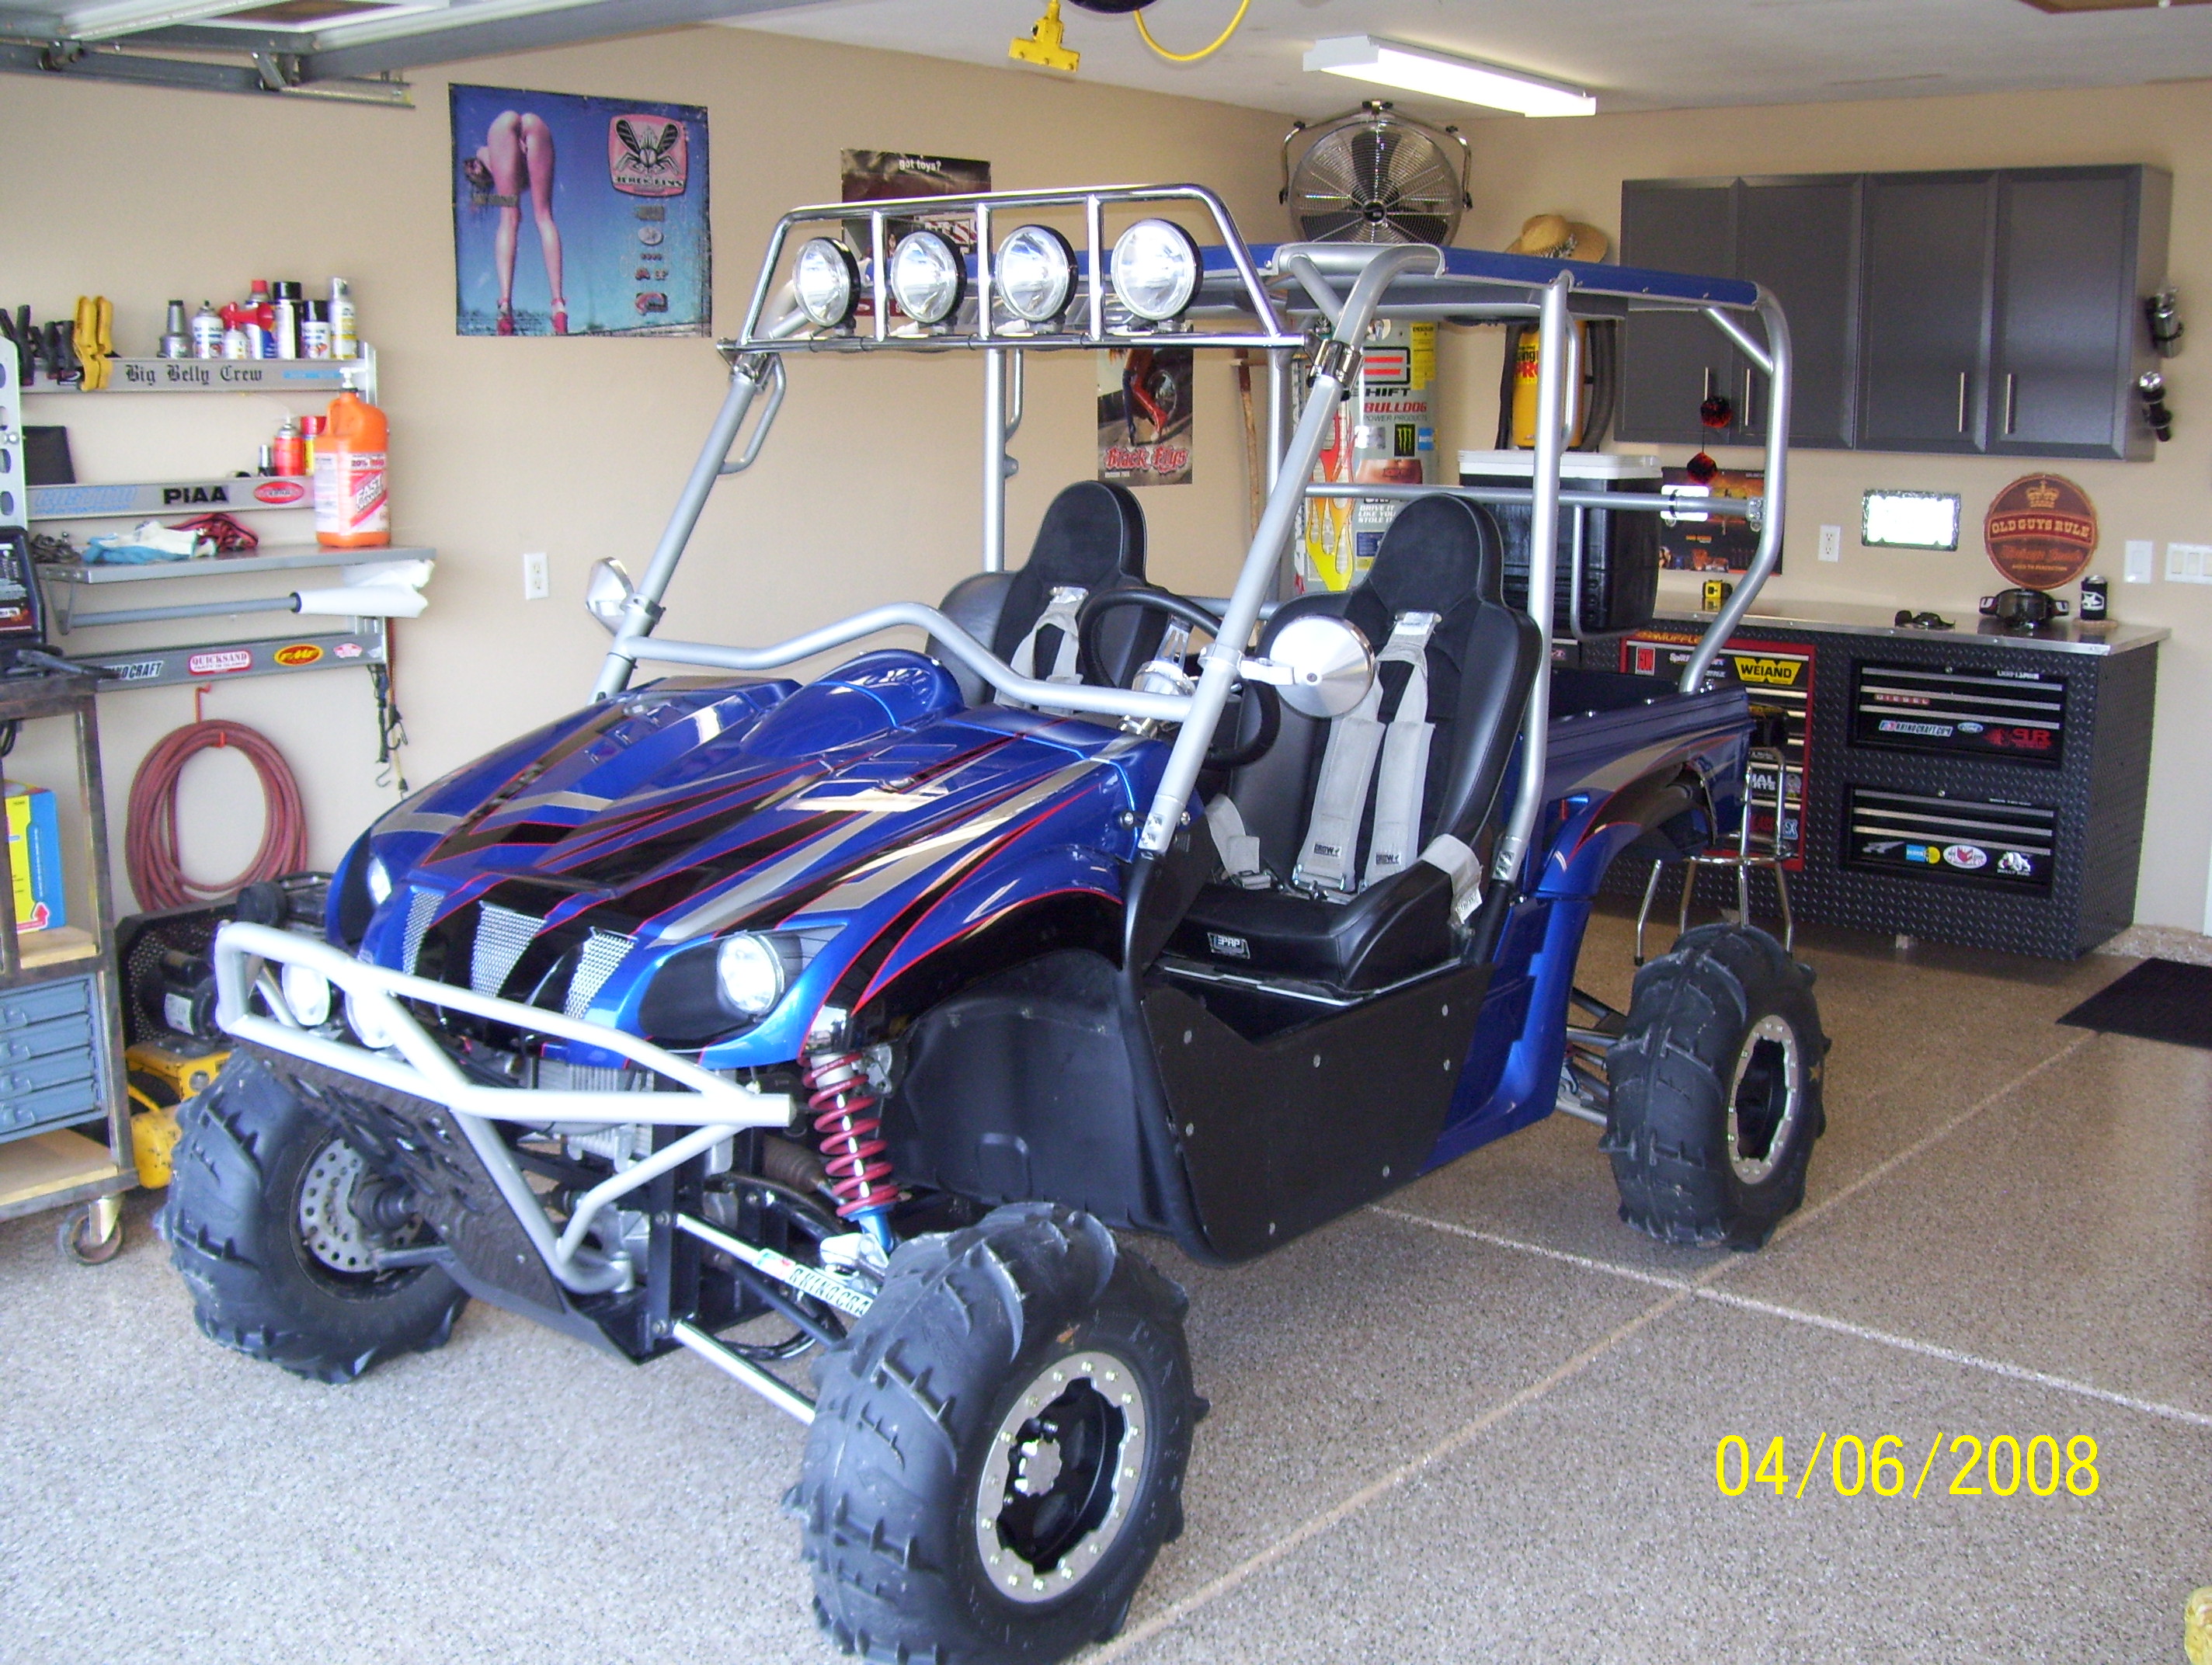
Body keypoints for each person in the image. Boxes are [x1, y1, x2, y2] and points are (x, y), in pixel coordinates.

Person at [462, 109, 566, 335]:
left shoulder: (486, 157)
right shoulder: (488, 162)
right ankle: (558, 305)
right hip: (535, 124)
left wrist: (484, 196)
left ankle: (505, 305)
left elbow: (511, 204)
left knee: (508, 219)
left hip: (502, 127)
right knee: (545, 217)